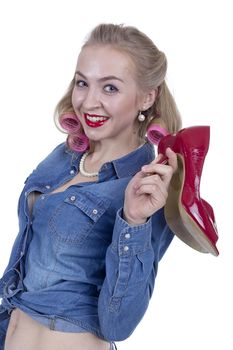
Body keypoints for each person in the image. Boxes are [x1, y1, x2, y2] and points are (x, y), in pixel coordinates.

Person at [0, 23, 182, 350]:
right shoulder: (65, 156)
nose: (88, 102)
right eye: (82, 83)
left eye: (110, 88)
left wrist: (134, 221)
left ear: (147, 96)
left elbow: (118, 323)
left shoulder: (149, 188)